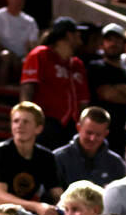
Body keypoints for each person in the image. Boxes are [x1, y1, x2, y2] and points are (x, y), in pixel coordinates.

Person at [19, 16, 88, 150]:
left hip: (71, 126)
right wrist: (26, 118)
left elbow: (83, 101)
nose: (80, 37)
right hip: (45, 122)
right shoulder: (40, 55)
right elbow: (27, 88)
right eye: (76, 33)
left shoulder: (77, 64)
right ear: (69, 35)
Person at [86, 23, 126, 156]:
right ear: (103, 42)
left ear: (123, 43)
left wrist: (120, 88)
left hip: (123, 135)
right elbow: (108, 94)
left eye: (118, 40)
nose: (113, 43)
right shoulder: (95, 67)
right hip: (98, 132)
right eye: (109, 39)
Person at [53, 106, 126, 186]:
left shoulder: (116, 164)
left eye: (98, 135)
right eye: (89, 133)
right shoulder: (58, 158)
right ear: (78, 128)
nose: (92, 138)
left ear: (106, 134)